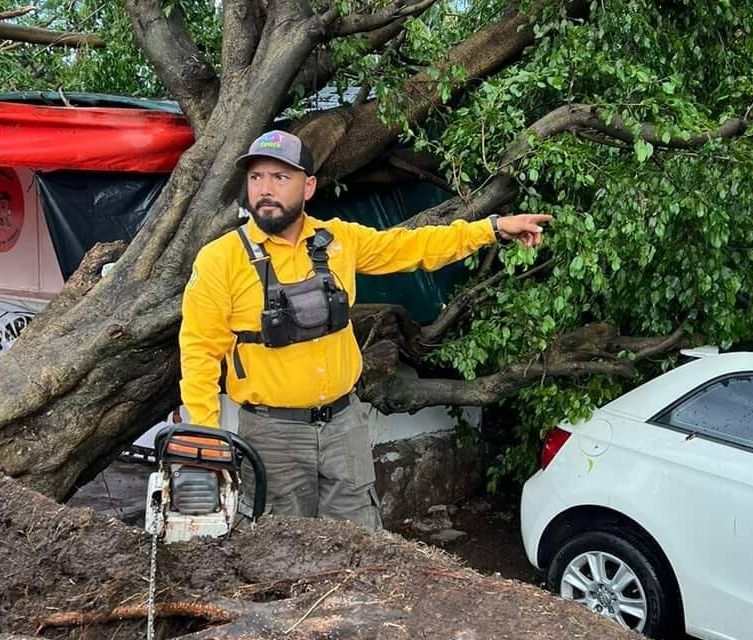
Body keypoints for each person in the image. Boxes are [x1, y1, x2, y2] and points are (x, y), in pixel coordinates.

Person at [179, 130, 552, 529]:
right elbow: (199, 352)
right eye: (256, 177)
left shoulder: (338, 241)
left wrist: (491, 229)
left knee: (360, 545)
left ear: (308, 187)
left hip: (344, 426)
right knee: (278, 551)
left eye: (279, 177)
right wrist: (205, 436)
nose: (265, 189)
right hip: (272, 436)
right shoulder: (221, 259)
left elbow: (415, 247)